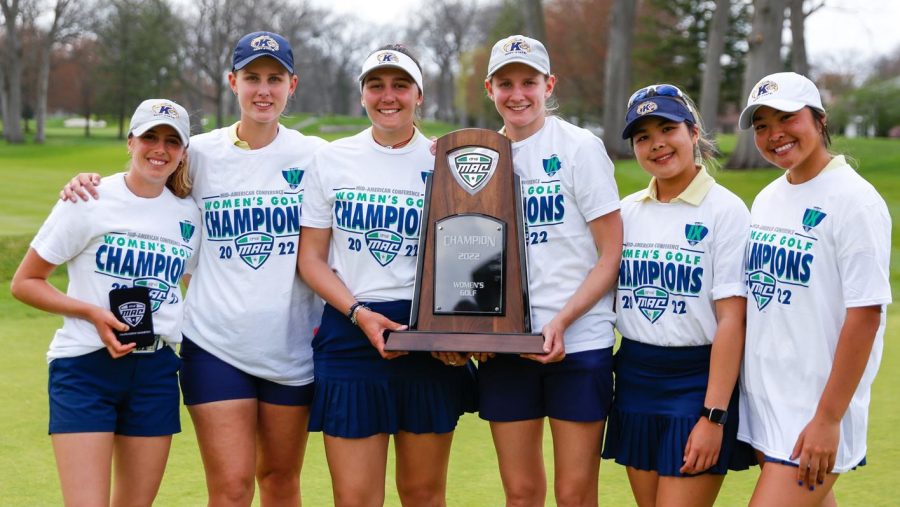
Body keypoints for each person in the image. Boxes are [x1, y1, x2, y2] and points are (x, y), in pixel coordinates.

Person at [59, 31, 327, 506]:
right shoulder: (199, 153)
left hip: (292, 345)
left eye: (274, 78)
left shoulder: (317, 156)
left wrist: (431, 153)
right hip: (215, 344)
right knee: (230, 488)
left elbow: (377, 164)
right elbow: (143, 182)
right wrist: (86, 181)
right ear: (232, 82)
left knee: (281, 481)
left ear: (293, 84)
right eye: (251, 78)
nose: (263, 89)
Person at [297, 44, 476, 507]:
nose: (388, 96)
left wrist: (459, 330)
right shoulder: (332, 160)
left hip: (428, 339)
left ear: (420, 95)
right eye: (376, 85)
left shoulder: (449, 161)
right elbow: (312, 259)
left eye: (400, 85)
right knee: (355, 498)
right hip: (350, 331)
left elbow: (472, 257)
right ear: (362, 95)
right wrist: (358, 313)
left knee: (422, 494)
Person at [11, 99, 198, 506]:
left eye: (172, 141)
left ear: (184, 152)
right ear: (131, 141)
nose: (160, 149)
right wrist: (92, 313)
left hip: (156, 372)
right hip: (85, 367)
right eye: (150, 137)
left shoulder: (190, 216)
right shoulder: (88, 198)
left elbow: (199, 283)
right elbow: (25, 282)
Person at [477, 35, 623, 506]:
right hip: (505, 344)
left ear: (548, 84)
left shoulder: (580, 147)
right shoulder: (476, 157)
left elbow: (610, 255)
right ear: (490, 89)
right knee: (520, 493)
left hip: (579, 343)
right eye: (505, 83)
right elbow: (467, 253)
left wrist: (561, 322)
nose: (517, 93)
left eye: (529, 82)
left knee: (575, 494)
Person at [738, 72, 891, 506]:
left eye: (787, 117)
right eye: (762, 125)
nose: (774, 134)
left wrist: (828, 418)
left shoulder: (855, 201)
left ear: (819, 119)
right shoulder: (768, 197)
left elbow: (865, 316)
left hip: (815, 412)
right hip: (769, 403)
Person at [601, 83, 752, 507]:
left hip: (697, 384)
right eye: (642, 136)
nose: (656, 144)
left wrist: (713, 416)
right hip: (634, 379)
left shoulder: (726, 210)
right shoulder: (626, 212)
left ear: (692, 131)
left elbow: (732, 320)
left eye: (667, 128)